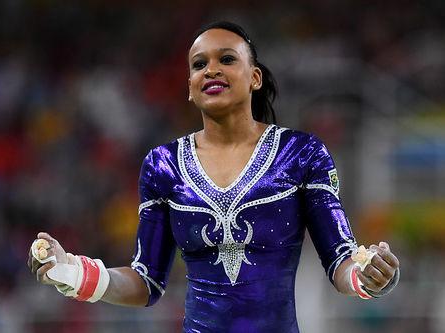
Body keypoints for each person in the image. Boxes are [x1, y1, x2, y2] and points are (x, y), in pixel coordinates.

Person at [28, 21, 400, 332]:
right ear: (190, 88)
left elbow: (341, 260)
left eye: (226, 59)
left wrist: (368, 277)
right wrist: (75, 272)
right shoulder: (163, 165)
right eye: (198, 64)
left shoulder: (301, 154)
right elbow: (147, 281)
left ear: (254, 77)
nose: (211, 70)